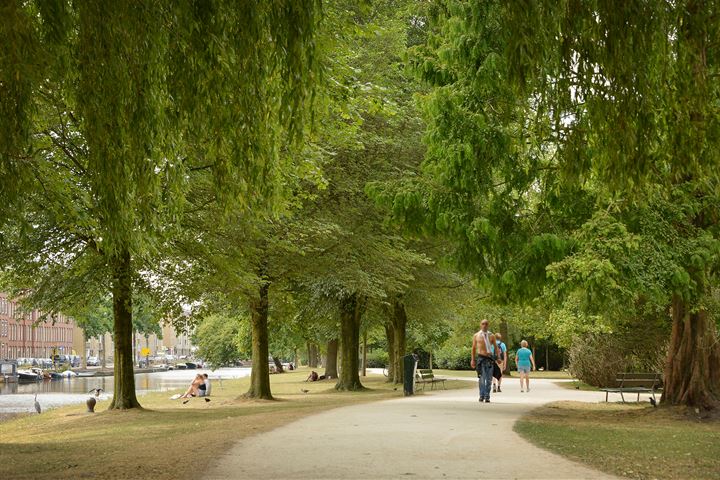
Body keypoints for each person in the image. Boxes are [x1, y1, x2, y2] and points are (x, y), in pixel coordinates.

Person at [471, 319, 499, 403]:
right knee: (482, 379)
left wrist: (498, 357)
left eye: (486, 324)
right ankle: (481, 395)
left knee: (489, 379)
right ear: (480, 325)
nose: (484, 325)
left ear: (488, 325)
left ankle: (487, 396)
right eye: (483, 324)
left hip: (489, 359)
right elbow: (473, 348)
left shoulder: (491, 335)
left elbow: (496, 347)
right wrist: (472, 360)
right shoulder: (476, 335)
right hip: (481, 359)